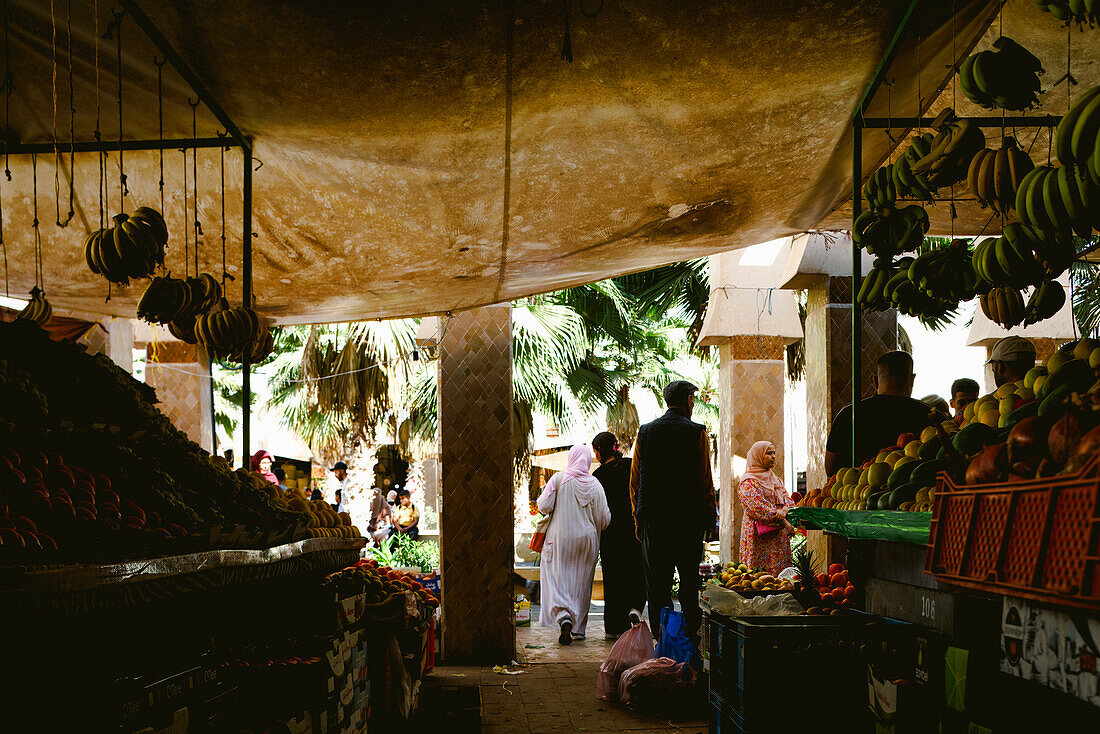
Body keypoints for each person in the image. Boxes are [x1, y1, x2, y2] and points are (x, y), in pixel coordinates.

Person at [629, 380, 717, 646]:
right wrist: (710, 519)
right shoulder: (697, 432)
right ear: (689, 400)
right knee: (689, 583)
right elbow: (705, 481)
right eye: (693, 399)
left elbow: (635, 481)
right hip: (687, 522)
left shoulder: (644, 432)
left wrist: (637, 518)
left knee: (657, 586)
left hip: (653, 521)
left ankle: (663, 640)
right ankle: (690, 641)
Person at [537, 444, 611, 644]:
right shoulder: (595, 484)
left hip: (561, 538)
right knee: (582, 583)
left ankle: (563, 616)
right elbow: (605, 520)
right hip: (587, 542)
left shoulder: (559, 479)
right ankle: (578, 629)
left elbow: (543, 505)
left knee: (556, 578)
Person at [824, 351, 934, 476]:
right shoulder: (931, 417)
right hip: (915, 494)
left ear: (875, 381)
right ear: (912, 379)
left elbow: (830, 469)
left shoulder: (849, 415)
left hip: (856, 493)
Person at [592, 431, 645, 640]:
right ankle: (635, 608)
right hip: (633, 529)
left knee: (613, 578)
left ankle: (614, 627)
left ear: (600, 451)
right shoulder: (632, 466)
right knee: (635, 571)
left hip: (610, 533)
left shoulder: (598, 476)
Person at [738, 441, 796, 576]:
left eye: (774, 453)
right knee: (758, 578)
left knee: (780, 580)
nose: (773, 456)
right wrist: (784, 522)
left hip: (778, 539)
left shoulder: (776, 480)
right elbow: (758, 508)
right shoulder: (748, 482)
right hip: (758, 538)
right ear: (758, 456)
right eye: (769, 453)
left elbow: (789, 502)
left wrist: (784, 511)